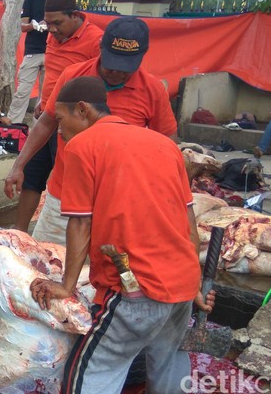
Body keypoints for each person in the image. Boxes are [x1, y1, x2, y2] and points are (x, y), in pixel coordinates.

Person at [21, 76, 214, 394]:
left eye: (61, 118)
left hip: (134, 286)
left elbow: (80, 224)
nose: (59, 130)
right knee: (168, 373)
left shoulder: (83, 146)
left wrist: (67, 286)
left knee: (90, 372)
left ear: (82, 110)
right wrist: (192, 280)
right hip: (181, 287)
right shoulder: (165, 145)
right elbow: (189, 224)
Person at [5, 16, 177, 246]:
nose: (116, 72)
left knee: (103, 274)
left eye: (124, 68)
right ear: (101, 49)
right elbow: (46, 122)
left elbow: (165, 145)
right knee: (47, 264)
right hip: (64, 199)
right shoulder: (73, 77)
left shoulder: (152, 90)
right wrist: (18, 165)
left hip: (118, 203)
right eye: (111, 63)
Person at [12, 0, 103, 233]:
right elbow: (52, 73)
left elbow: (101, 86)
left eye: (57, 23)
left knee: (65, 181)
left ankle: (66, 235)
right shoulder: (54, 35)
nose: (51, 29)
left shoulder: (95, 40)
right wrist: (44, 100)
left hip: (73, 124)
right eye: (48, 23)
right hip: (48, 115)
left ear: (75, 15)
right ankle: (19, 234)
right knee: (32, 173)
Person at [5, 0, 62, 124]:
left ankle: (40, 131)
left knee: (47, 95)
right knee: (22, 92)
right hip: (32, 51)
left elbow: (69, 26)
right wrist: (35, 25)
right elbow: (23, 26)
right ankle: (13, 127)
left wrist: (51, 26)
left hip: (54, 52)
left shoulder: (62, 0)